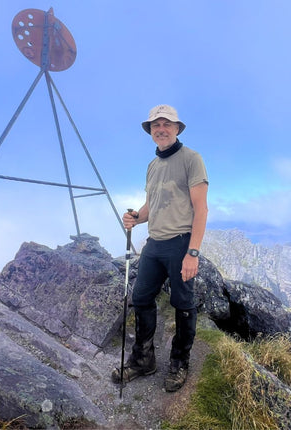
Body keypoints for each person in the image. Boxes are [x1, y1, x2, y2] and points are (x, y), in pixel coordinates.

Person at [112, 104, 208, 392]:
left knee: (183, 305)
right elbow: (152, 206)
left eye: (167, 124)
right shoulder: (153, 166)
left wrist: (193, 253)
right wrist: (136, 218)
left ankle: (179, 363)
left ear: (177, 129)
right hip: (154, 244)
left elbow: (201, 209)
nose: (161, 129)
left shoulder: (191, 159)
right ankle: (144, 360)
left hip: (180, 243)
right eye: (156, 126)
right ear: (151, 131)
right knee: (141, 298)